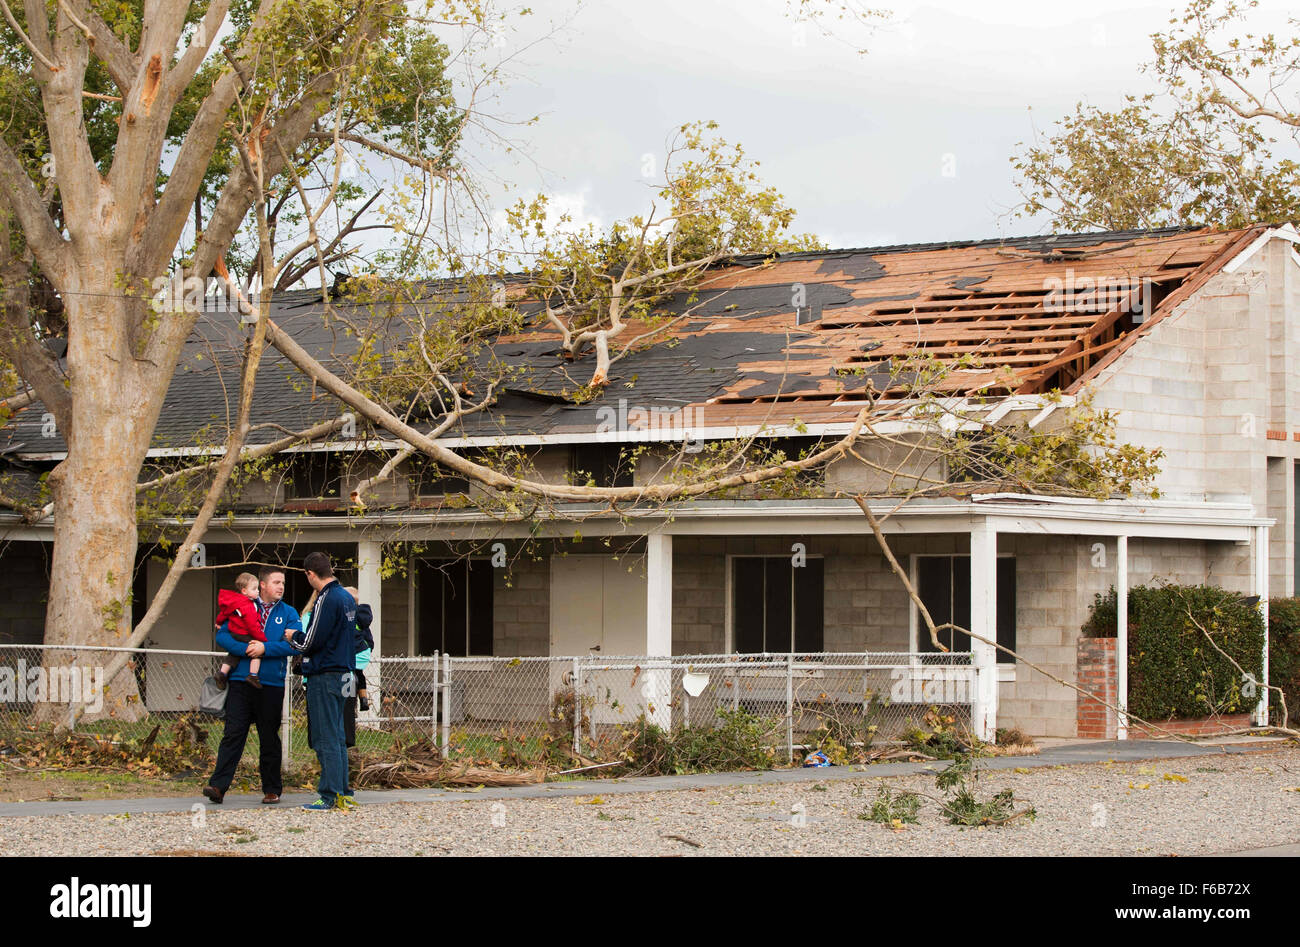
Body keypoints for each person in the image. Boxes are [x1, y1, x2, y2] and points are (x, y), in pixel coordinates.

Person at [203, 567, 301, 806]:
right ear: (263, 585)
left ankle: (271, 789)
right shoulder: (242, 605)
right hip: (240, 682)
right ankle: (218, 786)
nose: (281, 587)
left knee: (269, 737)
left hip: (271, 683)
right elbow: (223, 636)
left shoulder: (288, 613)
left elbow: (295, 644)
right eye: (276, 582)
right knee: (233, 733)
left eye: (283, 583)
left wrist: (265, 649)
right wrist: (246, 650)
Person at [292, 551, 357, 811]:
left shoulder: (326, 598)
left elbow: (310, 641)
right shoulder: (347, 597)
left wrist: (292, 636)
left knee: (325, 736)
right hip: (345, 672)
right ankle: (344, 790)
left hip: (325, 674)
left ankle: (329, 794)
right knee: (338, 734)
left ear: (310, 573)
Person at [214, 573, 266, 689]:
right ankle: (253, 675)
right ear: (244, 591)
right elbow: (252, 625)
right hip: (244, 634)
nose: (257, 591)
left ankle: (222, 673)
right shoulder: (248, 606)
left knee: (233, 654)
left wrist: (219, 622)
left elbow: (224, 613)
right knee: (257, 653)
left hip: (234, 633)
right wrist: (262, 640)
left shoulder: (235, 602)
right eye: (254, 589)